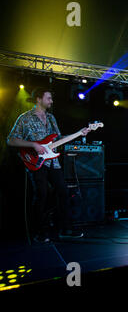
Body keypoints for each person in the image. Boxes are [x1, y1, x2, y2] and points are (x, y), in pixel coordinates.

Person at [7, 87, 89, 242]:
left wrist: (79, 133)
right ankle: (40, 232)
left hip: (53, 162)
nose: (51, 101)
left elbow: (57, 139)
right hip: (36, 162)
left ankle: (65, 228)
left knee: (63, 192)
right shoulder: (25, 118)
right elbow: (11, 140)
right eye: (48, 98)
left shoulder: (51, 118)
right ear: (38, 99)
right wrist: (33, 145)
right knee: (42, 194)